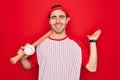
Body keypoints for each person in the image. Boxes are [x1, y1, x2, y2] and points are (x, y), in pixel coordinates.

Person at [18, 4, 101, 80]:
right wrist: (23, 58)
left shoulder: (77, 45)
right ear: (49, 21)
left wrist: (93, 41)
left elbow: (92, 67)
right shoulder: (40, 44)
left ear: (67, 20)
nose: (57, 21)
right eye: (53, 17)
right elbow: (28, 66)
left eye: (61, 17)